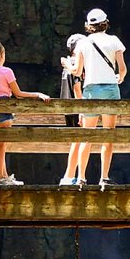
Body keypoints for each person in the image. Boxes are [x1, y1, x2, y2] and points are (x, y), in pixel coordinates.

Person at [61, 9, 126, 187]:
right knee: (108, 135)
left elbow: (76, 71)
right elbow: (122, 69)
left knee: (86, 136)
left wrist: (67, 63)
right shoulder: (114, 41)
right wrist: (118, 78)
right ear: (106, 23)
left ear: (89, 26)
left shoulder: (83, 43)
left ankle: (81, 177)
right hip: (111, 90)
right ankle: (104, 177)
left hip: (90, 91)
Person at [0, 40, 50, 187]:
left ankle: (4, 175)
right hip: (4, 108)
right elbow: (18, 94)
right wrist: (38, 94)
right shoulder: (6, 71)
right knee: (2, 144)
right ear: (0, 55)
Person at [58, 33, 85, 185]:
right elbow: (77, 87)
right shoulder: (76, 64)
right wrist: (82, 109)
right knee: (79, 141)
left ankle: (70, 175)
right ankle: (70, 176)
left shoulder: (69, 64)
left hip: (68, 107)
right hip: (77, 107)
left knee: (77, 141)